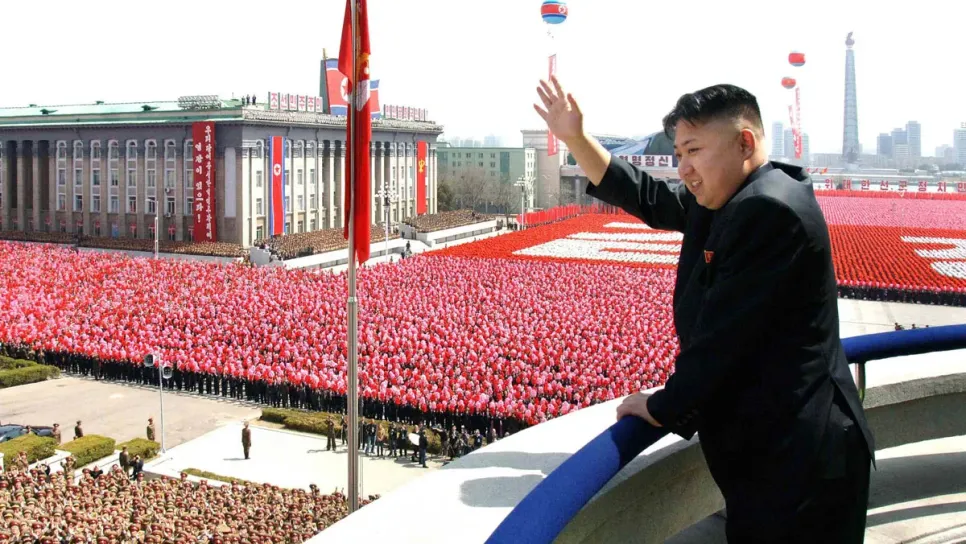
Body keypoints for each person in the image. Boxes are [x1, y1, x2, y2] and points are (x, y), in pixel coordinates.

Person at [534, 77, 874, 543]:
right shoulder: (738, 195)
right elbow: (648, 197)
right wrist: (576, 139)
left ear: (745, 143)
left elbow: (723, 342)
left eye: (694, 150)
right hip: (785, 458)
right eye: (678, 154)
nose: (684, 168)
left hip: (799, 466)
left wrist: (662, 406)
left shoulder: (767, 211)